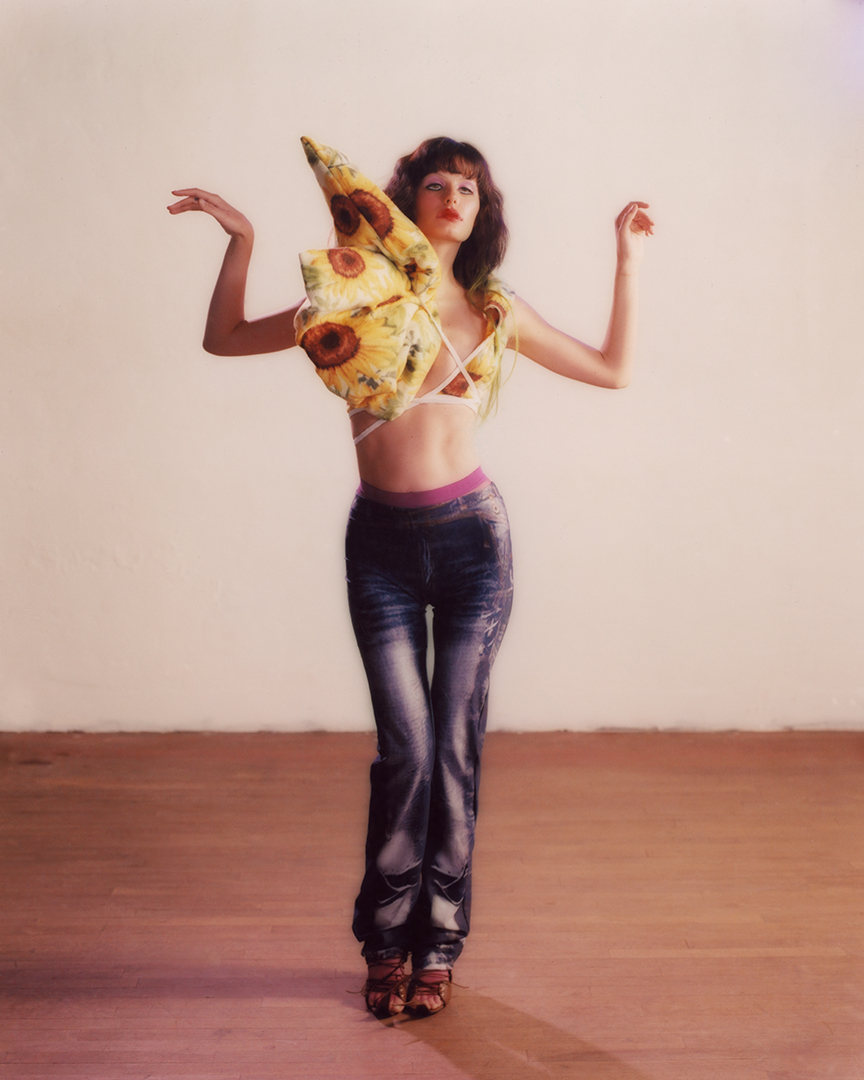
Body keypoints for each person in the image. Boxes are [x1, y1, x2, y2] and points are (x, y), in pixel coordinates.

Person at [168, 135, 653, 1019]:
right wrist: (242, 242)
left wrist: (625, 261)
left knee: (454, 750)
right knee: (407, 752)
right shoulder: (356, 294)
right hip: (381, 549)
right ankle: (385, 942)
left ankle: (439, 945)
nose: (454, 196)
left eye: (469, 186)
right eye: (437, 183)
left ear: (481, 212)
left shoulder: (495, 308)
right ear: (403, 200)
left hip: (474, 546)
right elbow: (223, 339)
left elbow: (613, 371)